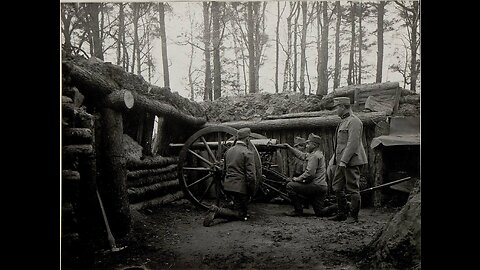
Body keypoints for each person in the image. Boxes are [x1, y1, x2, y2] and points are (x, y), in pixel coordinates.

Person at [203, 127, 256, 227]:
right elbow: (251, 176)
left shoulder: (229, 151)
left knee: (238, 206)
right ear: (247, 139)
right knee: (242, 214)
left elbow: (224, 171)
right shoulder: (248, 153)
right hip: (240, 188)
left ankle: (224, 209)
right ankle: (217, 211)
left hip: (228, 186)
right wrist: (252, 191)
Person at [329, 97, 368, 223]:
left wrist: (344, 161)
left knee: (352, 188)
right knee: (337, 187)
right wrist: (335, 160)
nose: (336, 111)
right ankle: (342, 213)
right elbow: (339, 144)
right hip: (341, 161)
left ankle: (353, 216)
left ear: (342, 107)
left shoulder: (354, 121)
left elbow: (352, 143)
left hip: (351, 161)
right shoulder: (343, 121)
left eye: (337, 108)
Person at [281, 133, 328, 217]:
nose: (306, 146)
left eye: (308, 144)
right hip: (321, 186)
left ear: (314, 145)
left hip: (316, 186)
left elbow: (310, 174)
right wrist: (289, 147)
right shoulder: (316, 154)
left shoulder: (314, 156)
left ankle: (298, 211)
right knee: (320, 212)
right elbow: (301, 155)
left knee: (290, 186)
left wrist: (297, 179)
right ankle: (342, 206)